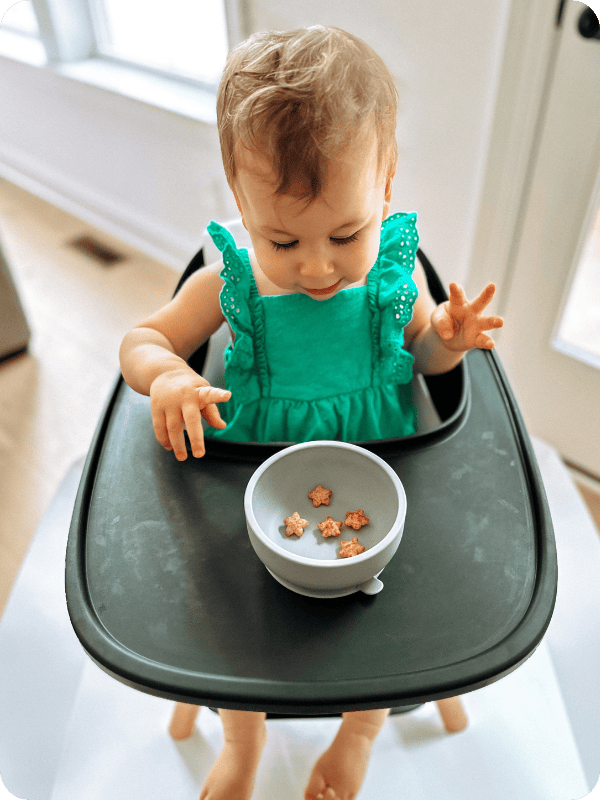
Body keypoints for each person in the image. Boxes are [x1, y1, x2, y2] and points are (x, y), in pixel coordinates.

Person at [119, 25, 503, 800]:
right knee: (227, 613)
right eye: (283, 237)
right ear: (242, 209)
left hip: (385, 477)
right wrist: (165, 378)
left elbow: (422, 356)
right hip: (252, 485)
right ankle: (242, 741)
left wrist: (449, 341)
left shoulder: (392, 279)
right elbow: (144, 337)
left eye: (346, 232)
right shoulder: (234, 284)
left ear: (386, 186)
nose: (319, 264)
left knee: (387, 620)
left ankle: (361, 730)